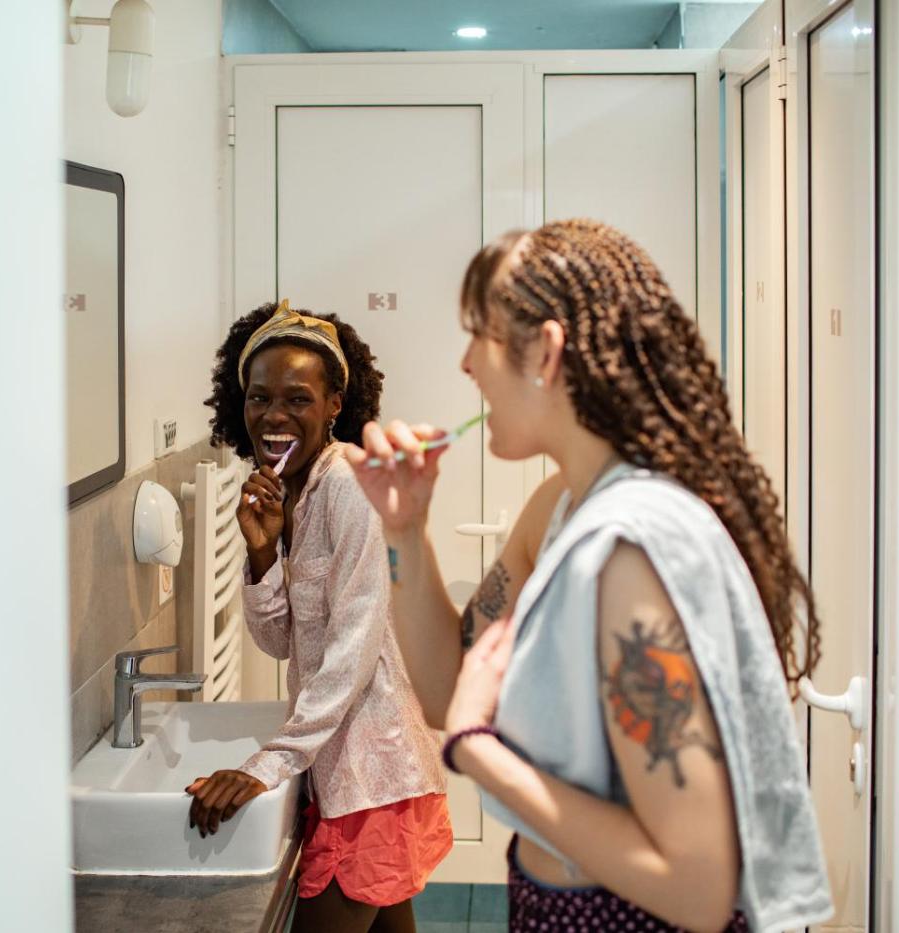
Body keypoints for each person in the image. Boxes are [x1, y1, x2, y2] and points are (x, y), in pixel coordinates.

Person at [346, 220, 833, 933]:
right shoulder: (562, 508)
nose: (465, 364)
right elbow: (450, 688)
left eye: (478, 334)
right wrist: (405, 531)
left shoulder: (629, 550)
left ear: (545, 352)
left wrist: (481, 755)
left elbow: (696, 886)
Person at [186, 300, 452, 933]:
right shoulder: (296, 490)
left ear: (335, 404)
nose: (273, 416)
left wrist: (269, 763)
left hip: (372, 777)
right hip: (354, 773)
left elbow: (353, 649)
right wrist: (261, 553)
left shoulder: (349, 484)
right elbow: (281, 642)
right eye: (259, 398)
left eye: (297, 399)